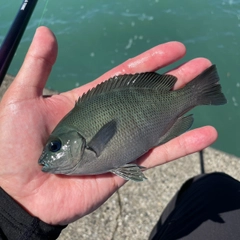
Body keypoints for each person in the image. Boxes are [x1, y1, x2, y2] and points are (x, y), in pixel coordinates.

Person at [0, 26, 237, 239]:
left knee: (211, 186)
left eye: (55, 146)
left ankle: (199, 92)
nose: (48, 156)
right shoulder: (72, 156)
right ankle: (201, 92)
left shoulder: (84, 147)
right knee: (215, 186)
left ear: (76, 141)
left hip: (152, 109)